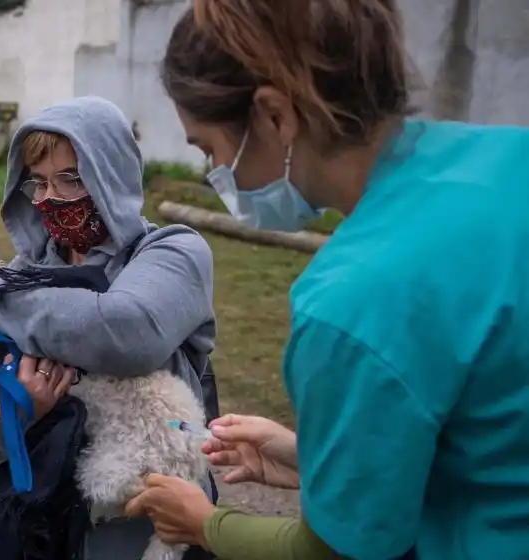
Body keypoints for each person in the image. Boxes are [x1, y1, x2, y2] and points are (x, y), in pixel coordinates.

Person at [125, 2, 529, 560]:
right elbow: (485, 428)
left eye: (210, 149)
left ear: (274, 116)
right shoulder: (507, 155)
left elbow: (334, 551)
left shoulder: (353, 302)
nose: (215, 171)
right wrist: (307, 455)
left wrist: (205, 523)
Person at [0, 95, 219, 559]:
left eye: (71, 179)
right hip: (37, 525)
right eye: (39, 183)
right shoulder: (23, 275)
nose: (51, 198)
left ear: (112, 175)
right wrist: (13, 412)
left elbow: (125, 332)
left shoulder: (173, 253)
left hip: (136, 522)